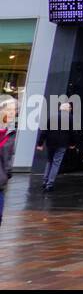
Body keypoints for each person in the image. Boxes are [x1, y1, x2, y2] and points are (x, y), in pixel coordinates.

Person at [35, 101, 77, 191]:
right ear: (67, 109)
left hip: (50, 143)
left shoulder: (52, 116)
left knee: (49, 161)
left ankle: (45, 181)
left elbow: (44, 131)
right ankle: (50, 184)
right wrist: (73, 144)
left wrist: (40, 143)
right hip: (62, 144)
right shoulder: (71, 118)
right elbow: (73, 133)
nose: (70, 109)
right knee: (56, 163)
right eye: (70, 108)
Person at [0, 94, 17, 226]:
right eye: (10, 109)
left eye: (14, 110)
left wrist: (7, 173)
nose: (13, 113)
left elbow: (9, 157)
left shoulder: (10, 132)